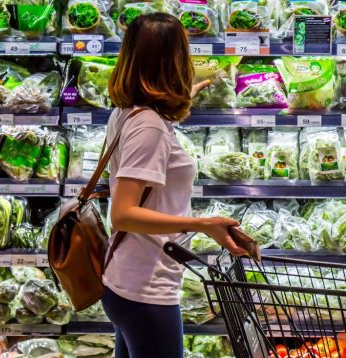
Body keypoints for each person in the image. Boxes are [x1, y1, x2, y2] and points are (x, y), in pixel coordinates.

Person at [102, 13, 248, 358]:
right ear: (175, 60)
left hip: (128, 279)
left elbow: (152, 135)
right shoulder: (149, 126)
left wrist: (187, 96)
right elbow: (122, 214)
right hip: (145, 287)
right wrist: (202, 224)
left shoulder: (131, 111)